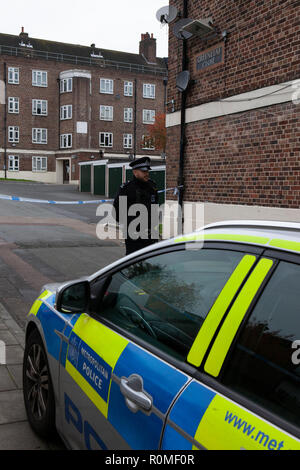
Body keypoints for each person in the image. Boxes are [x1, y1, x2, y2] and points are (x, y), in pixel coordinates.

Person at [113, 157, 159, 255]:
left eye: (147, 171)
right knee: (134, 265)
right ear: (135, 172)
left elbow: (155, 209)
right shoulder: (127, 188)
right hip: (134, 237)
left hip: (150, 235)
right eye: (143, 171)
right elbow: (117, 211)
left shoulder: (152, 186)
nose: (147, 174)